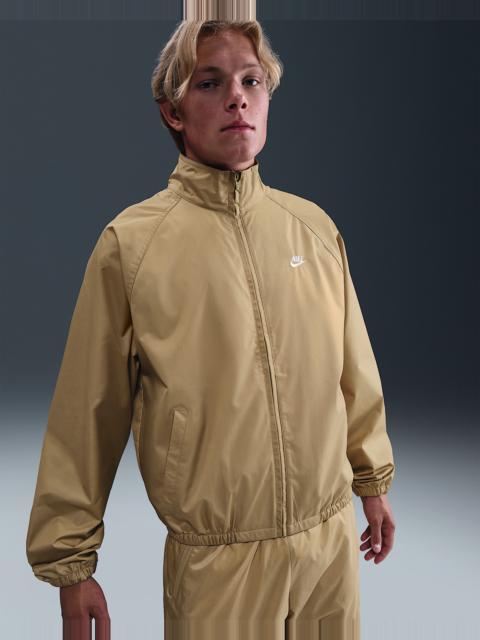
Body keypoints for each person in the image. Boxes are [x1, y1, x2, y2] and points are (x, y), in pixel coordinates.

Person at [26, 19, 396, 640]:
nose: (237, 98)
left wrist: (373, 482)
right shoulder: (133, 246)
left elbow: (353, 368)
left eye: (252, 81)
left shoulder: (312, 229)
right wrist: (71, 566)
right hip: (217, 563)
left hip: (328, 548)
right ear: (173, 111)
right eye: (210, 83)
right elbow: (87, 412)